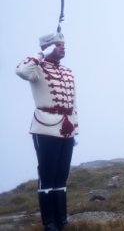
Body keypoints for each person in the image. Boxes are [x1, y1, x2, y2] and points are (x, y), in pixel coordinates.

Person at [16, 32, 78, 231]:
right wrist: (42, 54)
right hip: (45, 127)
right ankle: (49, 222)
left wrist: (74, 128)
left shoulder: (68, 72)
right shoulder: (37, 70)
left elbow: (72, 104)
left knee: (62, 175)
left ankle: (61, 219)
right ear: (48, 47)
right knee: (47, 175)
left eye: (63, 44)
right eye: (57, 45)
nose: (62, 47)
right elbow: (21, 70)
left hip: (66, 128)